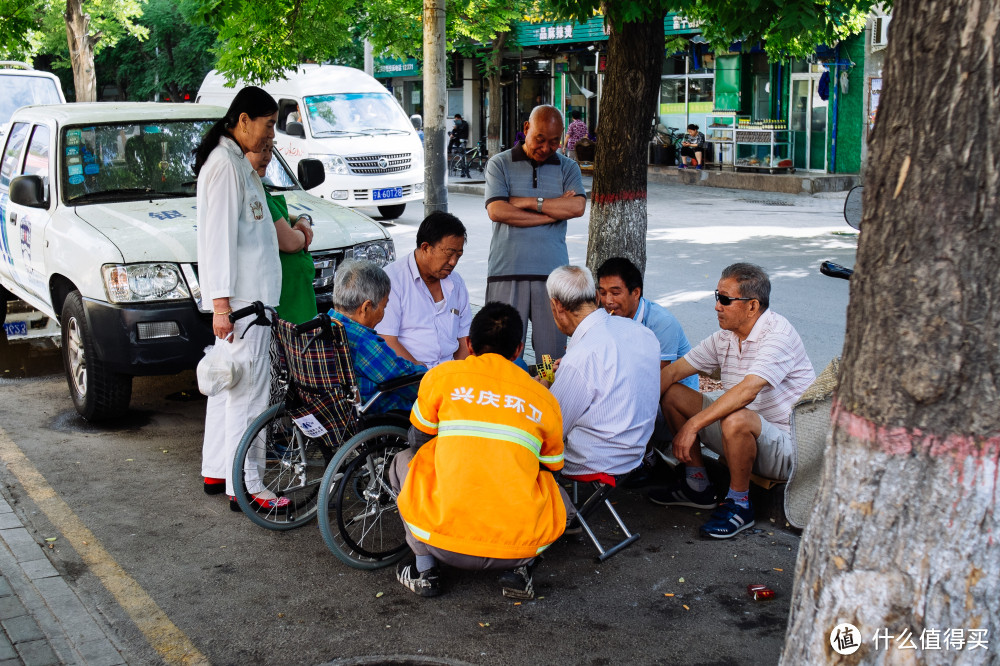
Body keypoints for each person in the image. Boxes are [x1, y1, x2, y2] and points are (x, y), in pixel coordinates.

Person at [391, 302, 569, 599]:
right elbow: (553, 466)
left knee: (403, 461)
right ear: (518, 350)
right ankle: (520, 571)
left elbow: (417, 441)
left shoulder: (442, 377)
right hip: (517, 548)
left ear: (470, 345)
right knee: (554, 490)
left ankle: (425, 571)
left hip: (441, 540)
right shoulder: (543, 399)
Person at [650, 263, 816, 539]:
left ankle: (740, 503)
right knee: (673, 393)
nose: (717, 306)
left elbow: (747, 391)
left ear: (752, 306)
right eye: (717, 296)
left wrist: (692, 426)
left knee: (737, 415)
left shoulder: (778, 335)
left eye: (725, 300)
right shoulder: (725, 337)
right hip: (741, 434)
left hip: (787, 448)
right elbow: (672, 372)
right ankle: (697, 485)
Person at [193, 86, 282, 507]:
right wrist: (222, 306)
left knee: (228, 388)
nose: (270, 137)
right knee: (249, 393)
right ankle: (247, 485)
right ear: (243, 120)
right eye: (267, 126)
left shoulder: (234, 163)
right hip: (245, 305)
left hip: (244, 303)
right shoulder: (226, 167)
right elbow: (218, 243)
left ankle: (217, 470)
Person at [484, 105, 587, 362]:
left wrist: (530, 202)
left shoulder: (568, 168)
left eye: (554, 142)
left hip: (553, 278)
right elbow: (497, 210)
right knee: (503, 353)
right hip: (506, 272)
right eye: (540, 139)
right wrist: (553, 212)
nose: (545, 147)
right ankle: (511, 398)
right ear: (527, 129)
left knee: (549, 358)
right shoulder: (500, 164)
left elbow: (577, 206)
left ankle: (547, 397)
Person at [543, 266, 660, 478]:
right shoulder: (643, 332)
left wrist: (543, 389)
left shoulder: (580, 357)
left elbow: (552, 430)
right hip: (636, 452)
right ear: (597, 296)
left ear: (557, 305)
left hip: (592, 461)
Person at [596, 256, 698, 482]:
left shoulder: (662, 322)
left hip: (673, 410)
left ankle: (647, 460)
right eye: (602, 292)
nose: (608, 301)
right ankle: (637, 458)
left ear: (636, 293)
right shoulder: (606, 317)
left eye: (615, 292)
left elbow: (655, 383)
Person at [376, 211, 472, 368]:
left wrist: (458, 377)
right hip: (409, 375)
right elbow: (388, 341)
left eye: (458, 255)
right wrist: (424, 376)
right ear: (426, 247)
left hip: (450, 373)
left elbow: (465, 340)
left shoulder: (457, 283)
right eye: (449, 254)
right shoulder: (392, 280)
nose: (453, 262)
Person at [327, 260, 424, 413]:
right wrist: (424, 371)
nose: (383, 314)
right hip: (381, 414)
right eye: (384, 307)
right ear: (366, 307)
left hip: (332, 409)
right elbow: (407, 383)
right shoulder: (362, 342)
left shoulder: (320, 326)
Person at [246, 138, 317, 325]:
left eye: (270, 150)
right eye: (261, 150)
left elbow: (277, 217)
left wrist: (302, 219)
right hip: (284, 299)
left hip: (292, 295)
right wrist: (304, 235)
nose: (267, 157)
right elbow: (290, 242)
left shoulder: (260, 190)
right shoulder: (252, 193)